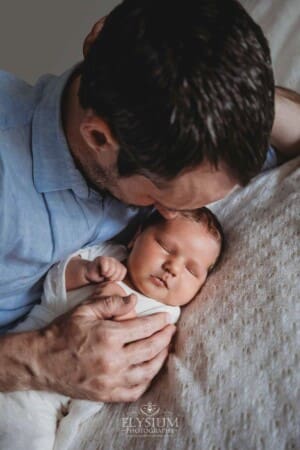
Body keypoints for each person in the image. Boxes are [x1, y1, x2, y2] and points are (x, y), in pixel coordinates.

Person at [0, 0, 299, 402]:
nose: (174, 216)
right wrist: (33, 360)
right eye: (159, 198)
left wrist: (235, 96)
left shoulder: (188, 150)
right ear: (100, 138)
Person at [0, 208, 223, 450]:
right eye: (165, 247)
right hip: (20, 346)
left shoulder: (165, 314)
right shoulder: (109, 257)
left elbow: (130, 359)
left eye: (192, 270)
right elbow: (55, 281)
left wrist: (123, 313)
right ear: (135, 237)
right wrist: (86, 272)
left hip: (45, 403)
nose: (173, 267)